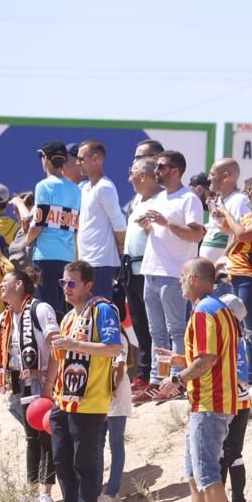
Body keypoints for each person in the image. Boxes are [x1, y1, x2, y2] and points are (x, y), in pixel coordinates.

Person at [165, 258, 242, 502]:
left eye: (183, 276)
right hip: (210, 401)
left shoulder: (202, 311)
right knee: (196, 475)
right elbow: (211, 355)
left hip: (210, 403)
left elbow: (208, 359)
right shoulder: (218, 308)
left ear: (195, 278)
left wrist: (177, 379)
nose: (180, 281)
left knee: (208, 475)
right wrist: (182, 362)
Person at [48, 261, 122, 502]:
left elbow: (113, 348)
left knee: (85, 463)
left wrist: (75, 345)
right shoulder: (69, 317)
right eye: (63, 283)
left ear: (89, 285)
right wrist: (49, 387)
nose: (66, 288)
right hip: (63, 398)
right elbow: (60, 356)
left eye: (72, 283)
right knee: (62, 460)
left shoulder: (102, 309)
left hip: (89, 401)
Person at [134, 150, 204, 404]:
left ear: (175, 170)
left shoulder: (189, 199)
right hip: (152, 270)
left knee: (176, 331)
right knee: (156, 332)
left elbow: (196, 234)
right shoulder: (161, 197)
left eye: (161, 166)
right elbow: (163, 231)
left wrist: (165, 224)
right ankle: (157, 381)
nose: (156, 171)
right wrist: (150, 226)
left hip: (174, 272)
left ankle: (176, 381)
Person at [0, 267, 60, 502]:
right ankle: (32, 490)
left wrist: (49, 385)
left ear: (19, 285)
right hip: (20, 383)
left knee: (46, 437)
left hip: (43, 381)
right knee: (31, 438)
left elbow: (57, 349)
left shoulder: (40, 309)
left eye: (5, 282)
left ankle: (46, 493)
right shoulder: (6, 317)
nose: (0, 286)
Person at [219, 173, 252, 401]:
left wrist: (225, 211)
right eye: (246, 191)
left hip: (250, 277)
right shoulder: (249, 214)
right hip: (237, 275)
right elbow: (229, 231)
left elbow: (242, 234)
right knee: (246, 333)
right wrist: (222, 216)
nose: (247, 194)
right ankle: (251, 379)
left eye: (251, 190)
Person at [26, 141, 80, 316]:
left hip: (45, 256)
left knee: (46, 311)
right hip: (68, 256)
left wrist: (26, 242)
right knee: (62, 310)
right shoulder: (75, 189)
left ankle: (51, 344)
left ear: (46, 159)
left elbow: (38, 225)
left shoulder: (44, 185)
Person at [123, 157, 160, 392]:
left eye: (133, 174)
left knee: (153, 326)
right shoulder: (138, 200)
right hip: (130, 268)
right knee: (138, 325)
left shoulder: (161, 200)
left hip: (148, 269)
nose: (129, 179)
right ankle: (143, 373)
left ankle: (152, 374)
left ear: (144, 176)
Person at [217, 293, 252, 502]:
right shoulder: (230, 336)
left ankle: (238, 501)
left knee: (230, 453)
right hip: (228, 401)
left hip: (236, 403)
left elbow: (240, 376)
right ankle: (218, 500)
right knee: (222, 453)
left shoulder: (236, 339)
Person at [76, 140, 127, 298]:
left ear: (96, 159)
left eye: (81, 158)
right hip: (86, 260)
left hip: (101, 263)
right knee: (86, 312)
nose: (78, 163)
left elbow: (118, 223)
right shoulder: (85, 188)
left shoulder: (105, 187)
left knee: (99, 309)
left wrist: (120, 247)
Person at [96, 339, 130, 502]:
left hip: (115, 396)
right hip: (98, 396)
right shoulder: (94, 331)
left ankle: (112, 492)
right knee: (97, 444)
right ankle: (96, 491)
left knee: (116, 443)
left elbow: (120, 368)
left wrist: (110, 394)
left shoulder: (118, 337)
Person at [199, 159, 249, 266]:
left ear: (225, 176)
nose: (208, 178)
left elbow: (241, 236)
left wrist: (221, 261)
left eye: (212, 174)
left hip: (224, 274)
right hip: (211, 274)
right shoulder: (218, 200)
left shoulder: (239, 201)